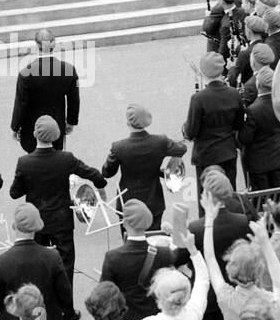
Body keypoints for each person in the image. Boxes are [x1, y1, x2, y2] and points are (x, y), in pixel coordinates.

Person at [10, 116, 105, 291]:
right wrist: (100, 185)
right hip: (61, 220)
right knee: (66, 264)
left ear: (35, 134)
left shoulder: (24, 162)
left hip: (36, 221)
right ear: (56, 136)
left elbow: (14, 193)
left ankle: (39, 302)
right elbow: (90, 173)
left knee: (36, 263)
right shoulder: (66, 158)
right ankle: (67, 309)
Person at [0, 203, 73, 320]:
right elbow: (65, 295)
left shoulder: (1, 261)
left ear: (15, 226)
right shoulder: (53, 257)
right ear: (37, 227)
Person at [100, 104, 186, 231]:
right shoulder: (160, 141)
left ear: (128, 123)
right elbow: (181, 149)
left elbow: (107, 172)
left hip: (128, 204)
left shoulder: (119, 147)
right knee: (153, 241)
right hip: (153, 201)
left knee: (130, 242)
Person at [10, 29, 81, 153]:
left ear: (37, 45)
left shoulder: (25, 73)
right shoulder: (69, 69)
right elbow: (74, 100)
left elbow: (21, 103)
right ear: (54, 43)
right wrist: (71, 122)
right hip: (56, 124)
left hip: (32, 127)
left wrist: (15, 127)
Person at [183, 52, 243, 189]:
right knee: (229, 195)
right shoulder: (234, 93)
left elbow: (191, 132)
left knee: (207, 201)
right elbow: (238, 124)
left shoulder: (198, 99)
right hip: (228, 152)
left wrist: (184, 128)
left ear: (204, 72)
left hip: (206, 155)